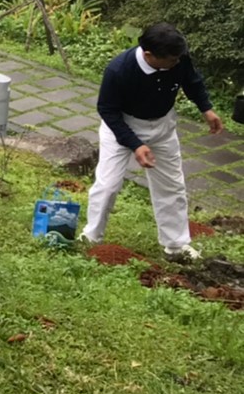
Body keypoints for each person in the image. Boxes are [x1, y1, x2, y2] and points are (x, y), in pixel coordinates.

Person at [80, 23, 224, 261]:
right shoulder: (119, 70)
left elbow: (191, 80)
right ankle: (91, 237)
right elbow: (107, 110)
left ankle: (176, 245)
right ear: (149, 55)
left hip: (162, 126)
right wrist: (135, 144)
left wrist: (206, 109)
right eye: (171, 60)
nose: (177, 63)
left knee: (172, 186)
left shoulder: (178, 57)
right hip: (123, 126)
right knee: (108, 185)